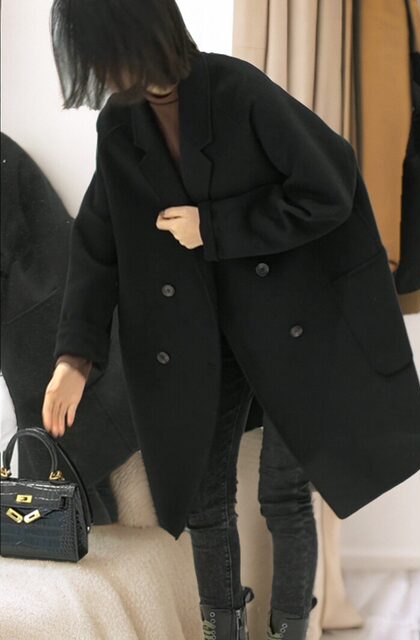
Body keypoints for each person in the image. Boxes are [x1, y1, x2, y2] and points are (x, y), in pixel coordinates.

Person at [42, 1, 321, 639]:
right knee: (202, 498)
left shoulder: (239, 90)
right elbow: (98, 243)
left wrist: (216, 226)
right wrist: (74, 358)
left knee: (283, 493)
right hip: (205, 339)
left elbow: (325, 190)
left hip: (289, 327)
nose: (98, 69)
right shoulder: (121, 124)